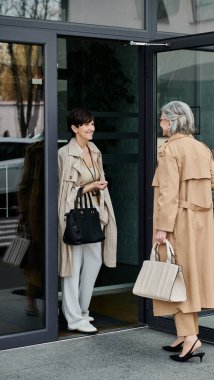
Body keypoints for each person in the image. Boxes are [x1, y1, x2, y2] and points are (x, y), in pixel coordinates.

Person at [152, 101, 214, 362]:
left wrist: (162, 228)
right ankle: (185, 334)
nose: (160, 123)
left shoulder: (169, 150)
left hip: (178, 224)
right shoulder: (201, 148)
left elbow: (168, 192)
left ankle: (191, 339)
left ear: (172, 121)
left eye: (162, 119)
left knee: (177, 278)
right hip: (200, 225)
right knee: (188, 278)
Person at [58, 108, 117, 334]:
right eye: (86, 125)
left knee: (94, 262)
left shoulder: (94, 150)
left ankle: (83, 311)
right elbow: (64, 192)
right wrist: (90, 186)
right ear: (75, 128)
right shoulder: (65, 153)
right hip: (73, 215)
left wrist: (98, 189)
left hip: (94, 214)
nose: (91, 128)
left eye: (92, 123)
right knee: (73, 265)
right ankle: (73, 318)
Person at [18, 138, 44, 317]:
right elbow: (24, 184)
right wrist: (23, 212)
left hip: (59, 205)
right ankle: (31, 296)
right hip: (37, 209)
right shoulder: (34, 150)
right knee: (36, 255)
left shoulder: (63, 147)